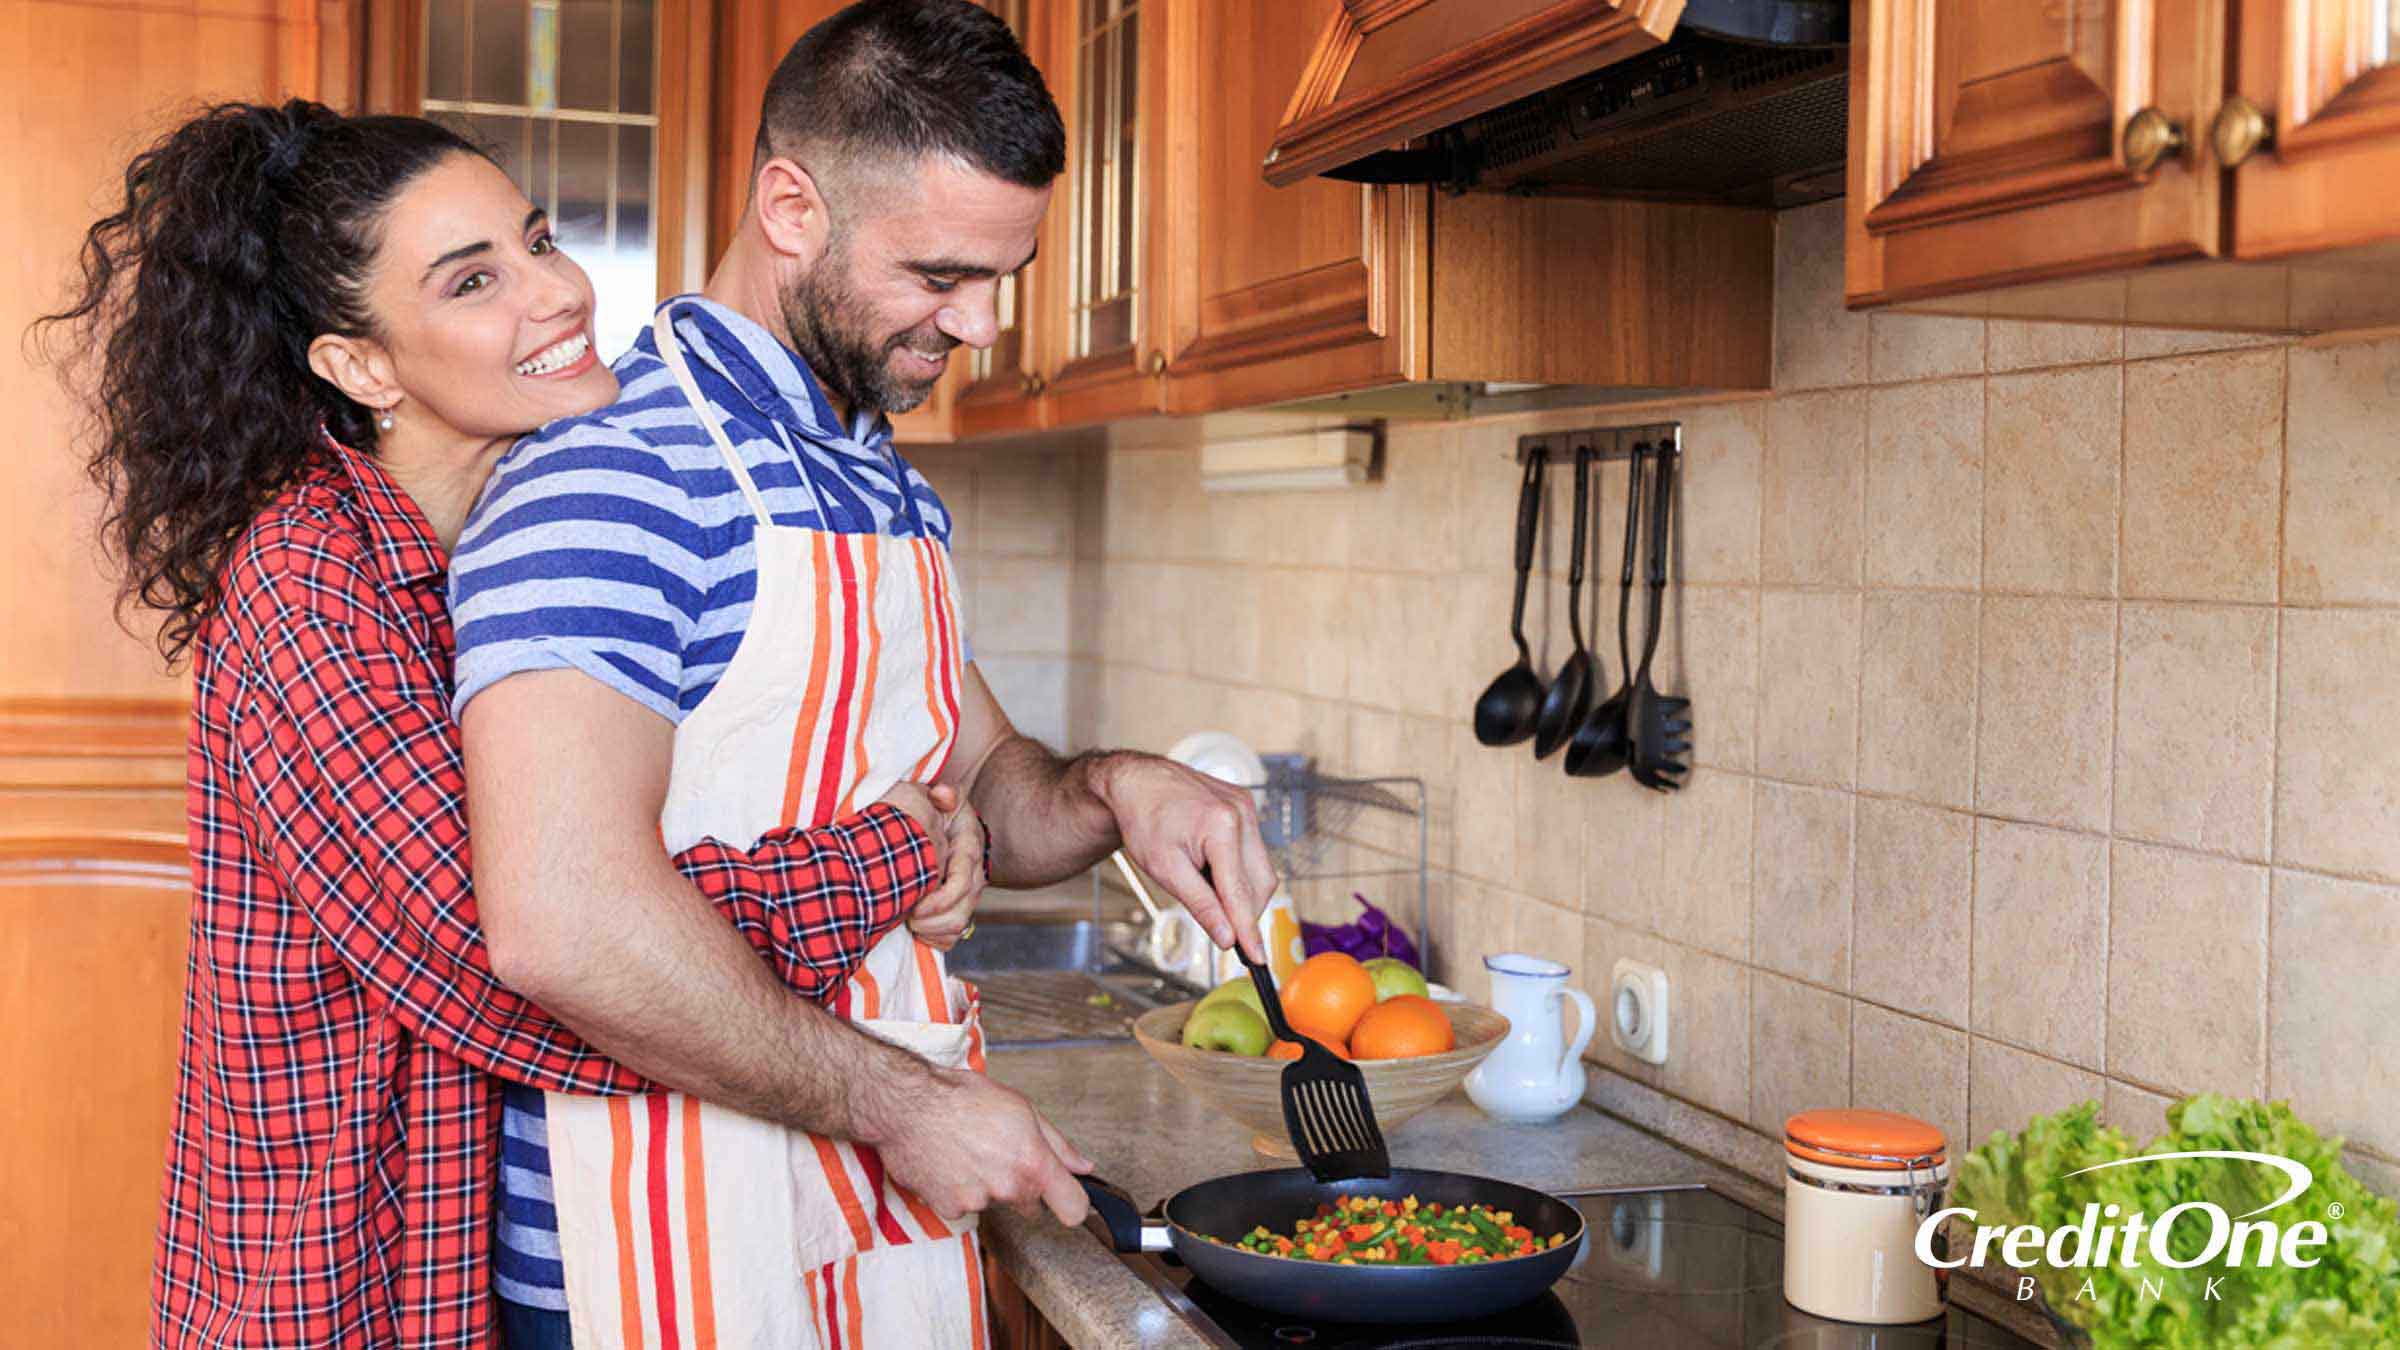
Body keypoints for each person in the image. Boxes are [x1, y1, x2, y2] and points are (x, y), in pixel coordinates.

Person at [39, 101, 989, 1349]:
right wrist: (887, 860)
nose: (556, 293)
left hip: (470, 1257)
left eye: (537, 241)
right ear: (361, 365)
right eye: (474, 279)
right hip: (341, 1288)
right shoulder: (309, 588)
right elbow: (527, 962)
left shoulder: (495, 543)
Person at [446, 2, 1281, 1344]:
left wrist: (1127, 791)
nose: (986, 323)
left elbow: (990, 787)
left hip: (864, 1211)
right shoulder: (614, 475)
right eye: (942, 273)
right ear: (790, 205)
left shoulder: (878, 479)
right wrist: (907, 1104)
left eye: (1002, 274)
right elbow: (564, 920)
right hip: (663, 1238)